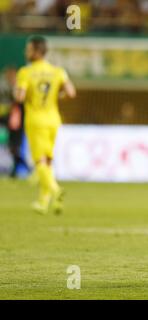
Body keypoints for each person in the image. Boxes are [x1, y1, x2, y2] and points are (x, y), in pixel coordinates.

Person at [14, 35, 76, 215]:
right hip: (53, 119)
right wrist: (55, 95)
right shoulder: (58, 71)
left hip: (36, 120)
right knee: (48, 160)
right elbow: (71, 92)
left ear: (35, 51)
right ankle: (43, 202)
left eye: (28, 49)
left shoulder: (26, 72)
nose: (26, 52)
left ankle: (56, 191)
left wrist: (16, 90)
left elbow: (20, 97)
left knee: (39, 161)